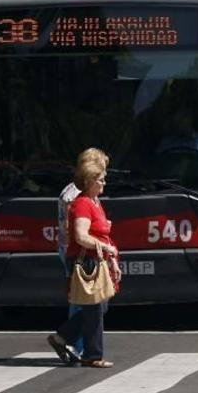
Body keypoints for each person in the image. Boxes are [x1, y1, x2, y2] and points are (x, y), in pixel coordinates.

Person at [47, 154, 121, 368]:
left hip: (97, 259)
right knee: (95, 308)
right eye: (101, 179)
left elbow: (101, 234)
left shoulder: (94, 202)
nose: (104, 183)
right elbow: (81, 236)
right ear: (89, 181)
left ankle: (62, 338)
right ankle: (93, 355)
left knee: (99, 307)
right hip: (86, 261)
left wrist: (111, 258)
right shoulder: (82, 204)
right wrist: (106, 248)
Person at [57, 148, 110, 359]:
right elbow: (76, 230)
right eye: (101, 172)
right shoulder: (76, 197)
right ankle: (74, 345)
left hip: (86, 252)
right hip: (80, 253)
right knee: (84, 302)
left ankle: (70, 341)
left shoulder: (89, 196)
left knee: (93, 303)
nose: (104, 178)